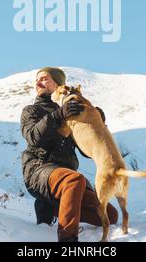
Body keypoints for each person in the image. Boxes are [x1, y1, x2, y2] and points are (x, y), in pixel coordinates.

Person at [20, 66, 118, 242]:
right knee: (74, 179)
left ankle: (54, 207)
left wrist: (96, 122)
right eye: (37, 79)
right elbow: (34, 137)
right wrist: (58, 115)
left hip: (67, 178)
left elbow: (86, 151)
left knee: (110, 215)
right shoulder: (31, 111)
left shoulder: (71, 113)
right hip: (39, 169)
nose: (38, 82)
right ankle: (67, 240)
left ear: (58, 84)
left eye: (44, 78)